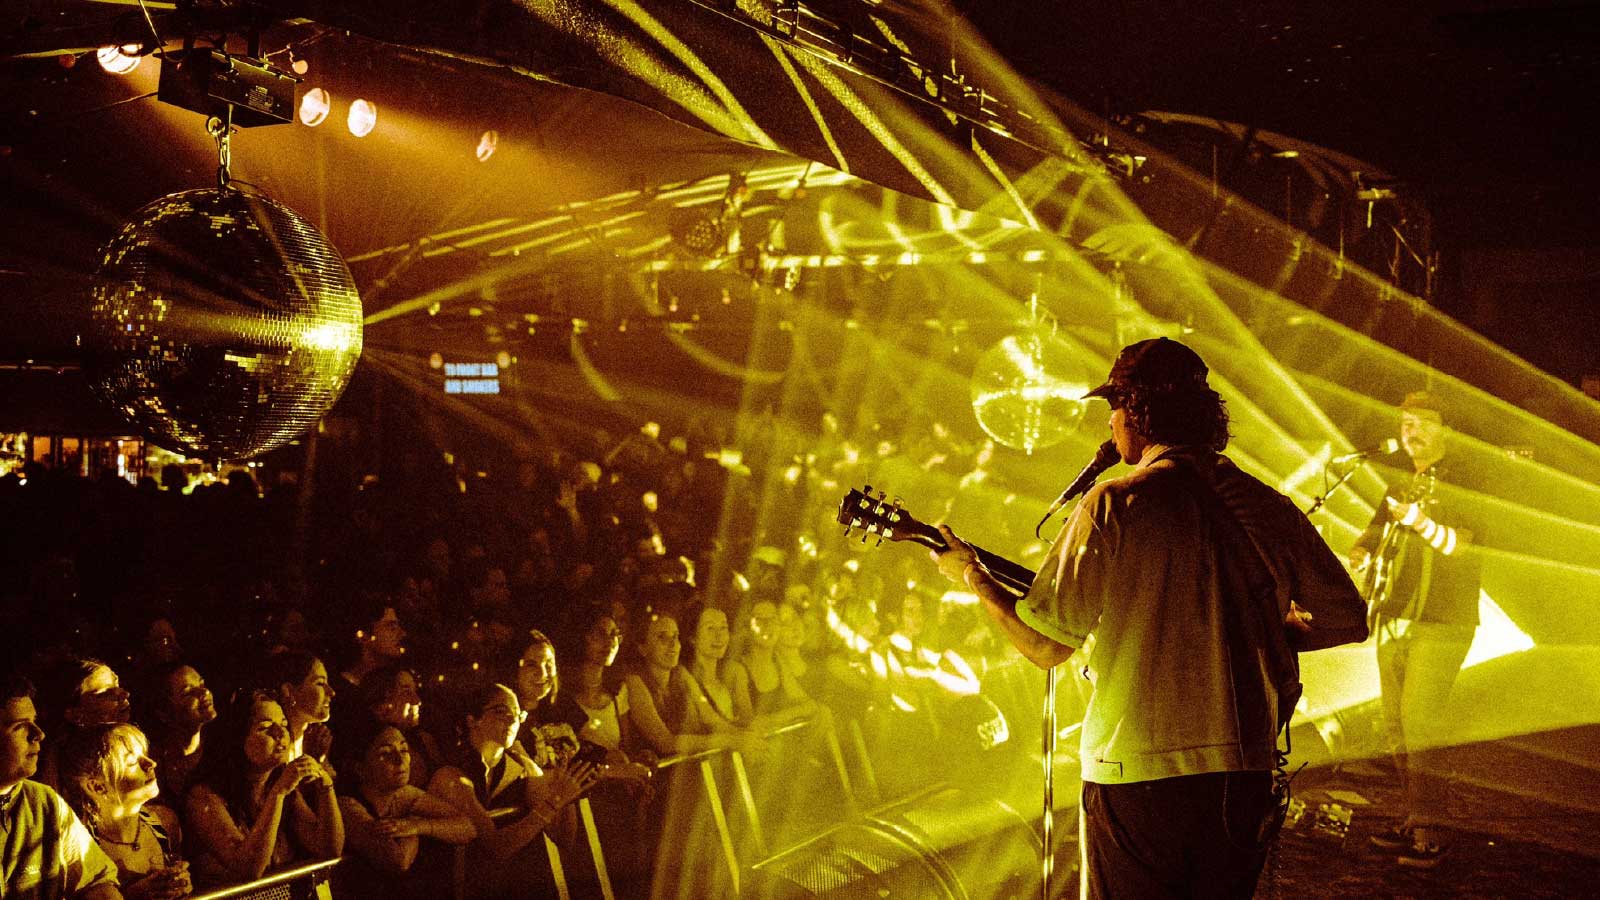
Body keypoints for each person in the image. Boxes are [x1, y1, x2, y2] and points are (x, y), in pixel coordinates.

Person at [930, 337, 1368, 899]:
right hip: (1242, 771)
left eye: (1115, 407)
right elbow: (1346, 619)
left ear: (1138, 412)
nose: (1110, 424)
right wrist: (1257, 634)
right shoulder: (1265, 504)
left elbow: (1046, 648)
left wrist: (973, 578)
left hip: (1136, 772)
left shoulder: (1114, 504)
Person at [1352, 391, 1483, 868]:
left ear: (1446, 431)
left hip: (1441, 622)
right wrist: (1362, 551)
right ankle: (1412, 818)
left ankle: (1430, 830)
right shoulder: (1401, 481)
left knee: (1419, 723)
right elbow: (1372, 532)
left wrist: (1421, 523)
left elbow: (1460, 546)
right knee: (1396, 727)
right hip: (1394, 617)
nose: (1412, 431)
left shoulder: (1466, 482)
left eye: (1425, 421)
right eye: (1406, 421)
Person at [425, 683, 596, 898]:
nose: (512, 719)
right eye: (501, 711)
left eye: (517, 714)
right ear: (473, 720)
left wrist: (568, 793)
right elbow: (495, 847)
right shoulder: (450, 776)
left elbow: (563, 838)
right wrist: (553, 802)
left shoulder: (522, 768)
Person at [183, 693, 344, 888]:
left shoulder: (278, 784)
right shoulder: (204, 796)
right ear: (237, 739)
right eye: (265, 727)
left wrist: (325, 785)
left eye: (284, 724)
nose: (280, 733)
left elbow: (329, 848)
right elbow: (248, 869)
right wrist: (278, 794)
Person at [0, 672, 122, 898]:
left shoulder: (44, 803)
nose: (39, 734)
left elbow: (98, 882)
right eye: (20, 726)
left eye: (34, 722)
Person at [335, 716, 475, 899]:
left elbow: (468, 828)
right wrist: (416, 825)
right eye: (385, 754)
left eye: (404, 749)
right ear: (360, 768)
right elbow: (398, 860)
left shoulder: (404, 794)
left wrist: (417, 825)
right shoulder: (347, 806)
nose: (400, 761)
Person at [58, 724, 191, 899]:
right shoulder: (79, 845)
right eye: (132, 762)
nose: (151, 763)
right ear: (97, 787)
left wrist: (181, 884)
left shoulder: (164, 822)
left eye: (145, 753)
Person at [139, 664, 215, 807]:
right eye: (188, 692)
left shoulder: (223, 748)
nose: (204, 692)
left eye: (201, 684)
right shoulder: (153, 765)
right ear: (164, 713)